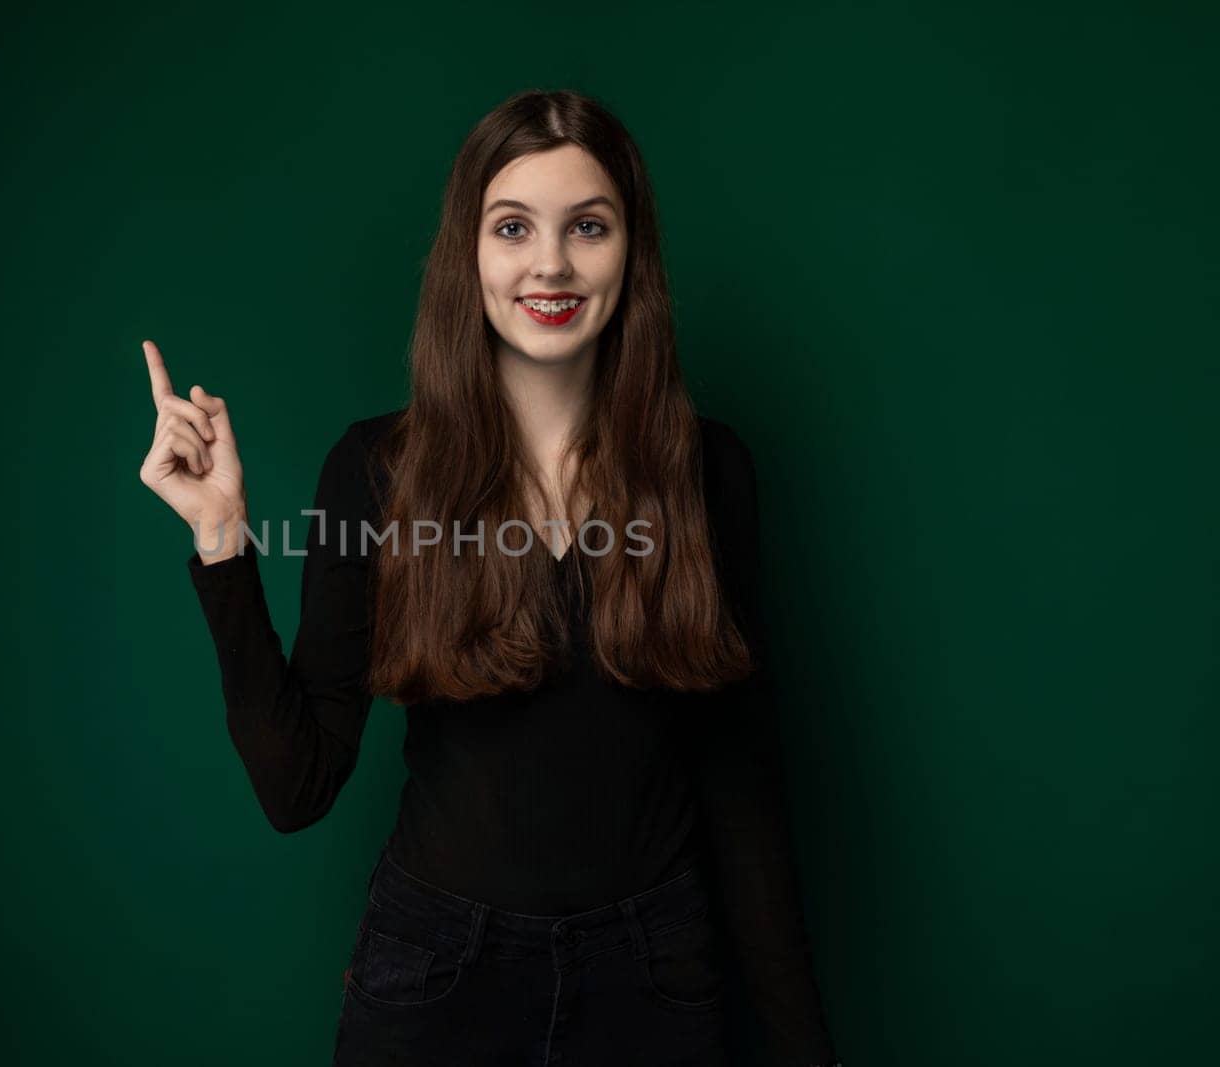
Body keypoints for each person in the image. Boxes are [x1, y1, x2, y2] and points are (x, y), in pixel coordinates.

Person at [139, 89, 842, 1067]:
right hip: (435, 976)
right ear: (467, 254)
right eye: (512, 227)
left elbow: (744, 788)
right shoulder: (376, 471)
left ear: (629, 254)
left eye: (586, 226)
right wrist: (221, 535)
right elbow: (295, 784)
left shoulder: (708, 472)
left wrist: (806, 1049)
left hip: (656, 976)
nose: (549, 262)